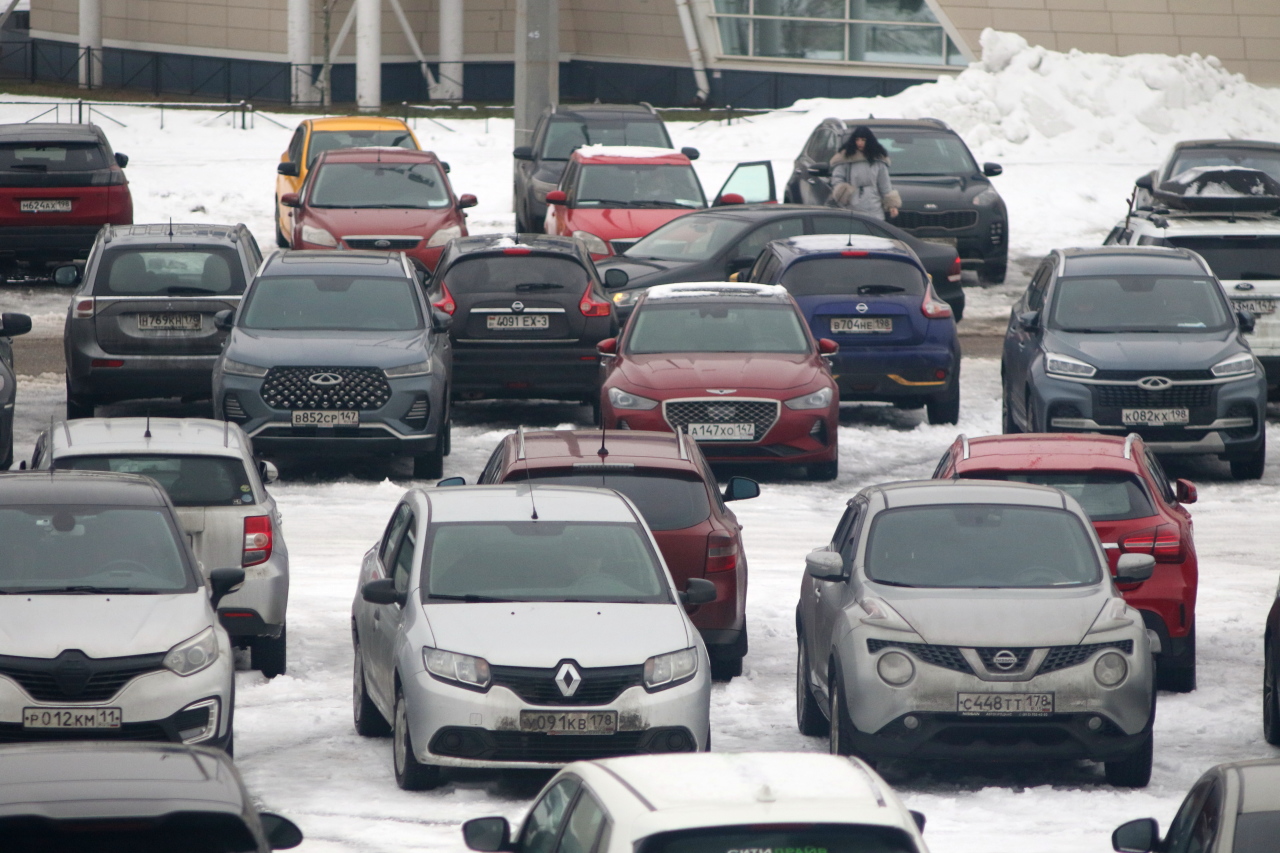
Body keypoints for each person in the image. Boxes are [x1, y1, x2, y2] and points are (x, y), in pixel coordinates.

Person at [829, 126, 901, 220]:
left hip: (874, 206)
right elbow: (837, 179)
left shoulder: (878, 160)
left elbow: (885, 184)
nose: (860, 143)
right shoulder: (845, 158)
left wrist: (892, 205)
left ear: (869, 141)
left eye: (863, 140)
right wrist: (843, 194)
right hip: (850, 206)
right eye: (857, 139)